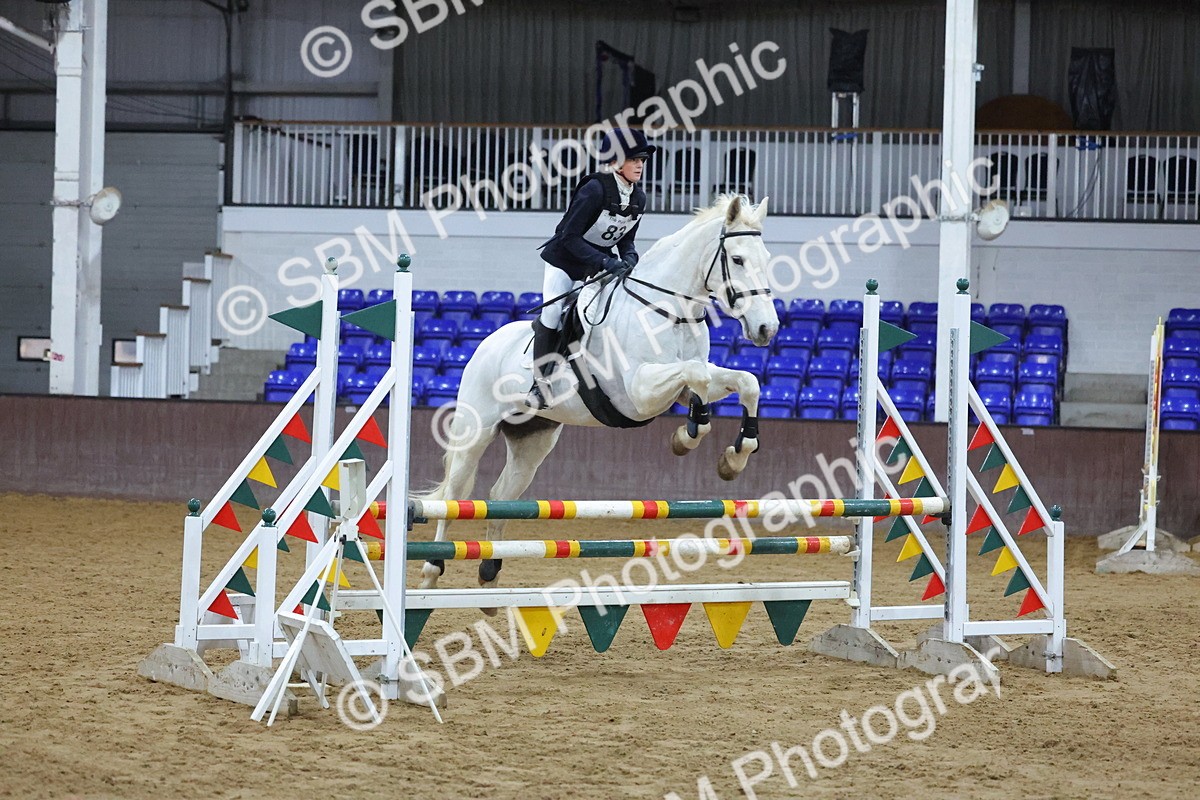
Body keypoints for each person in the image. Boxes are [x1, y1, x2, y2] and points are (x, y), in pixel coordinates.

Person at [526, 128, 657, 409]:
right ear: (616, 161)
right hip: (565, 260)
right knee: (551, 313)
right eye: (634, 159)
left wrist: (630, 258)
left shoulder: (639, 198)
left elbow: (627, 240)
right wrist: (604, 261)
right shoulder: (594, 189)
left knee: (606, 313)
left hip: (597, 264)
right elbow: (568, 237)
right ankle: (539, 384)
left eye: (642, 160)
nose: (640, 165)